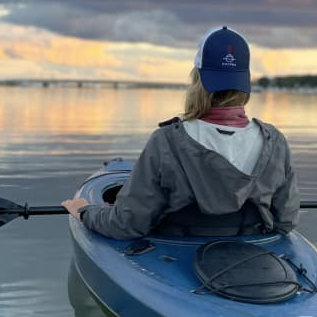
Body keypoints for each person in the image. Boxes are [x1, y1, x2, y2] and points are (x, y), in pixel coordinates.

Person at [62, 26, 299, 239]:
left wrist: (85, 211)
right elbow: (285, 221)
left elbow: (128, 225)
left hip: (175, 250)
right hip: (252, 259)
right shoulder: (274, 141)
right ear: (245, 82)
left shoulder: (166, 141)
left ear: (197, 81)